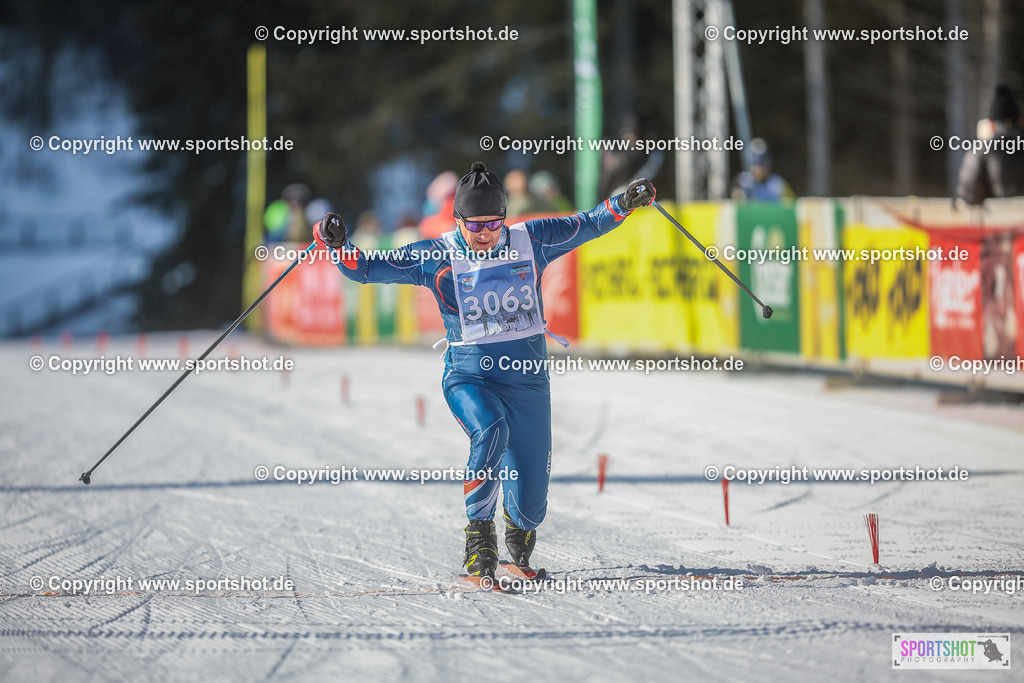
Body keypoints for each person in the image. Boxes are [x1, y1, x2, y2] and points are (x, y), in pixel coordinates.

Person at [313, 162, 655, 580]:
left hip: (528, 382)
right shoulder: (436, 255)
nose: (484, 234)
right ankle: (479, 537)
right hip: (469, 376)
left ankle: (517, 526)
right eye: (474, 225)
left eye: (493, 223)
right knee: (491, 428)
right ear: (457, 219)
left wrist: (626, 202)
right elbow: (364, 268)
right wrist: (338, 243)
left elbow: (589, 224)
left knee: (531, 509)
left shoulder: (531, 241)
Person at [956, 85, 1024, 205]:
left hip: (1000, 215)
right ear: (1020, 121)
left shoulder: (983, 150)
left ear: (991, 124)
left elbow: (969, 194)